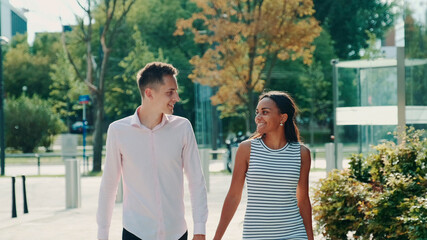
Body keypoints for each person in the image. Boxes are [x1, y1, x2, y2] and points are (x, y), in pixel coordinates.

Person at [96, 62, 208, 240]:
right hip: (136, 232)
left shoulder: (183, 127)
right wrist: (103, 235)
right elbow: (109, 186)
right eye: (170, 92)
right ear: (149, 93)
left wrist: (200, 229)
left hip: (177, 233)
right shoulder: (118, 131)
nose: (176, 97)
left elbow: (196, 181)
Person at [213, 91, 314, 240]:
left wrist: (310, 238)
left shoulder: (301, 153)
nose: (258, 117)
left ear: (283, 118)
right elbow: (234, 196)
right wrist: (217, 238)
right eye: (257, 112)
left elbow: (303, 200)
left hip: (294, 233)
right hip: (256, 235)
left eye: (265, 112)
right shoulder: (246, 149)